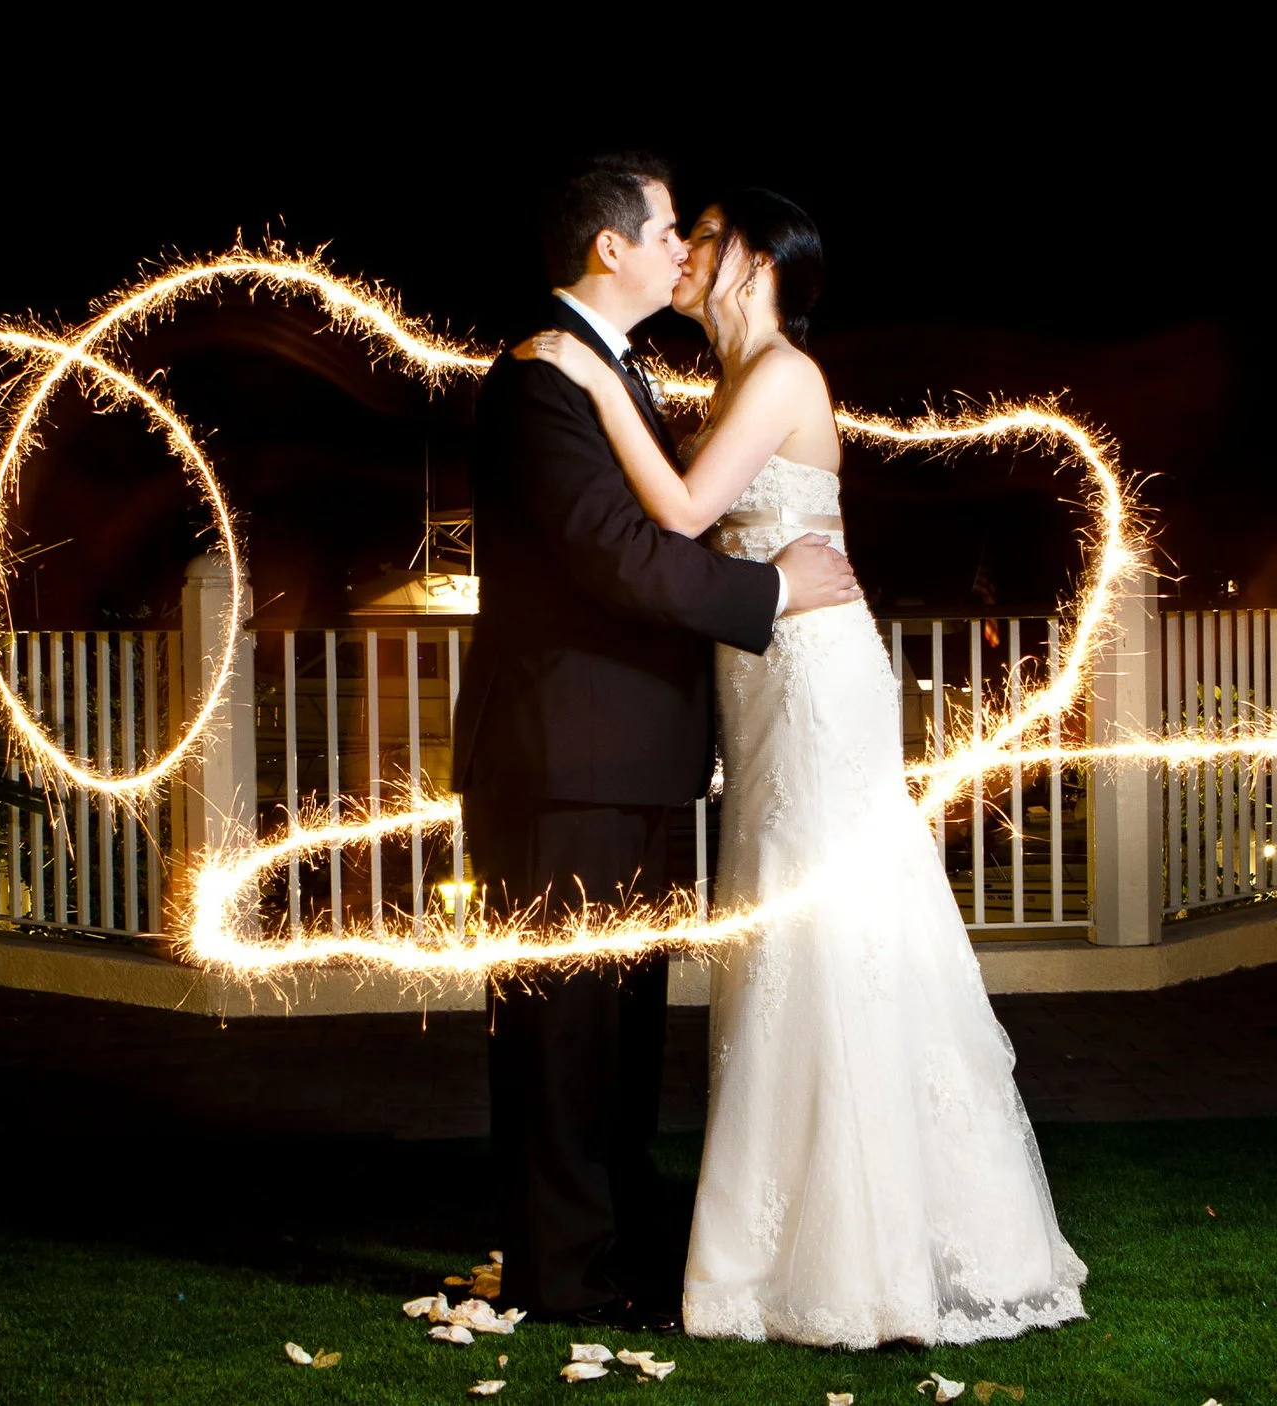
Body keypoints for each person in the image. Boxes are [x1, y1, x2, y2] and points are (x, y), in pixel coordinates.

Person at [511, 187, 1088, 1348]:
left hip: (815, 685)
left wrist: (580, 380)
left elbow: (675, 513)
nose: (684, 255)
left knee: (825, 939)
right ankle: (790, 1235)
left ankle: (857, 1248)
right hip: (763, 686)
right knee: (783, 940)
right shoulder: (736, 382)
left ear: (757, 260)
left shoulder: (778, 372)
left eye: (704, 238)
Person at [449, 154, 860, 1333]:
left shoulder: (611, 368)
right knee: (562, 1032)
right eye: (670, 227)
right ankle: (562, 1274)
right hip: (560, 756)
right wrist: (771, 590)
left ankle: (614, 1248)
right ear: (609, 249)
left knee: (617, 1031)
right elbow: (619, 556)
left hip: (628, 756)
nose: (683, 245)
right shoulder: (540, 377)